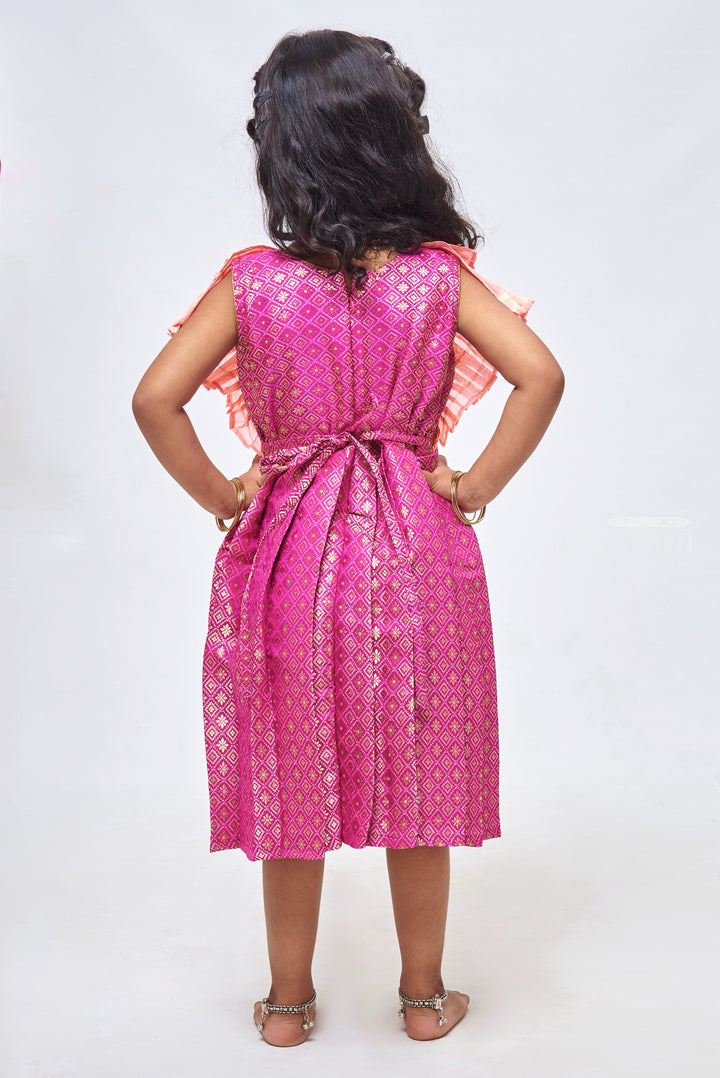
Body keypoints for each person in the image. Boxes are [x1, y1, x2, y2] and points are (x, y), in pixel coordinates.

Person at [132, 28, 564, 1048]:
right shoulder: (436, 280)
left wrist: (227, 495)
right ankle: (424, 999)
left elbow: (155, 399)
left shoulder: (251, 282)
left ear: (283, 152)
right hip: (419, 547)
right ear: (393, 140)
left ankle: (287, 1006)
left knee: (291, 770)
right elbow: (541, 375)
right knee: (425, 772)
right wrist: (473, 484)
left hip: (291, 551)